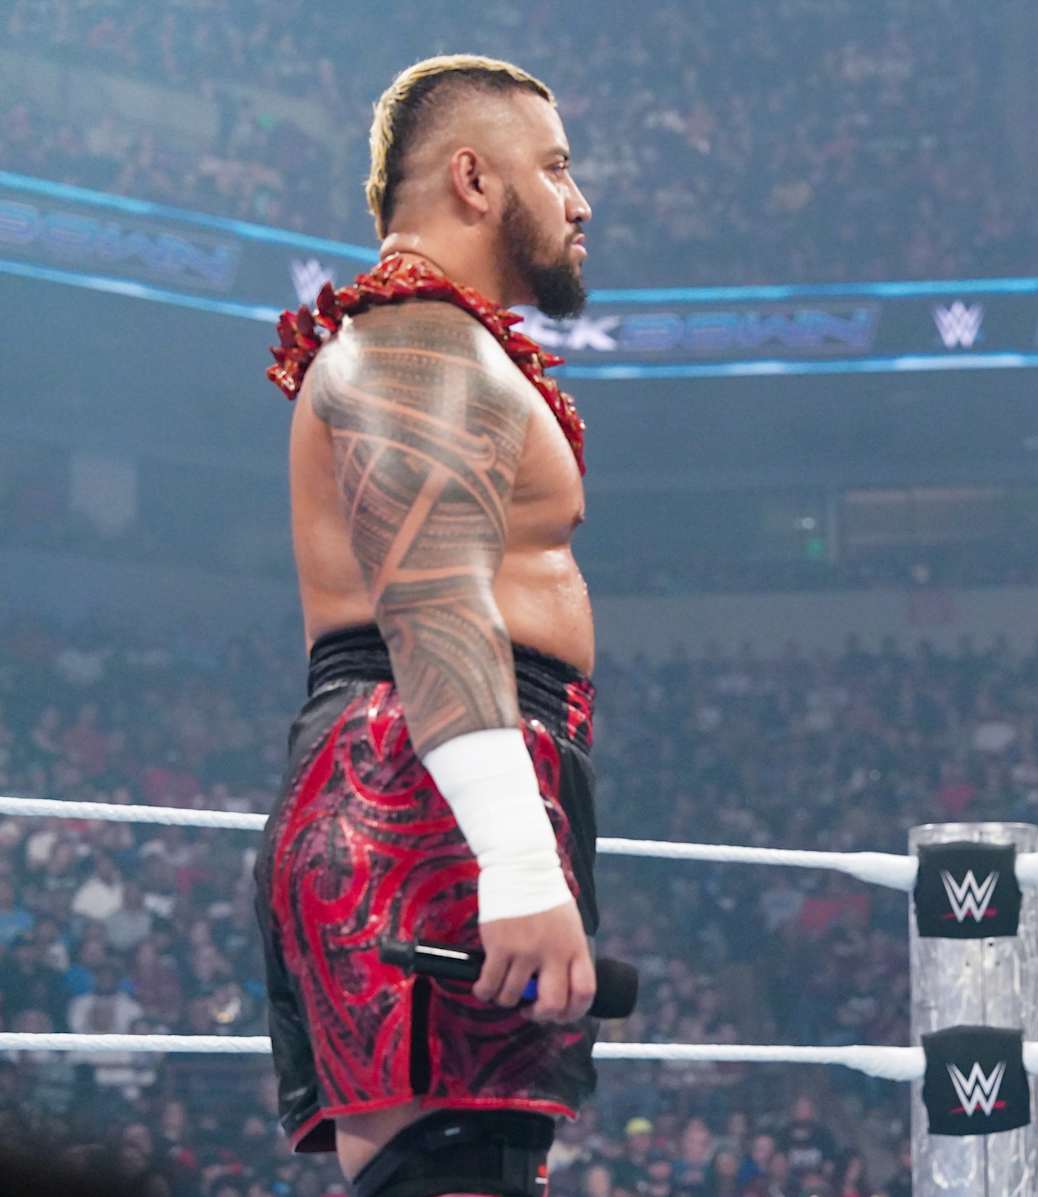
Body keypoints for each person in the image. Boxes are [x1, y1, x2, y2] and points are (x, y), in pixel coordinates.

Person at [253, 53, 601, 1196]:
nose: (578, 198)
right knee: (452, 1170)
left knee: (470, 1164)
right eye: (553, 168)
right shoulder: (410, 345)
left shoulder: (444, 343)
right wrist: (513, 858)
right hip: (420, 792)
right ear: (473, 179)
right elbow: (435, 605)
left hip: (431, 776)